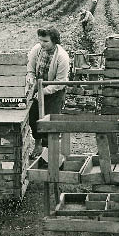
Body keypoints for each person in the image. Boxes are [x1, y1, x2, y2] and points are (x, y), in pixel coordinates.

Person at [27, 26, 70, 157]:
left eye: (46, 41)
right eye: (40, 40)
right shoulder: (37, 49)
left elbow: (60, 81)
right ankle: (38, 145)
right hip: (38, 88)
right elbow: (30, 68)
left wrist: (44, 92)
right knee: (33, 117)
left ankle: (49, 152)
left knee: (49, 120)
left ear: (54, 41)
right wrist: (31, 79)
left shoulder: (62, 57)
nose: (42, 43)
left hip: (54, 92)